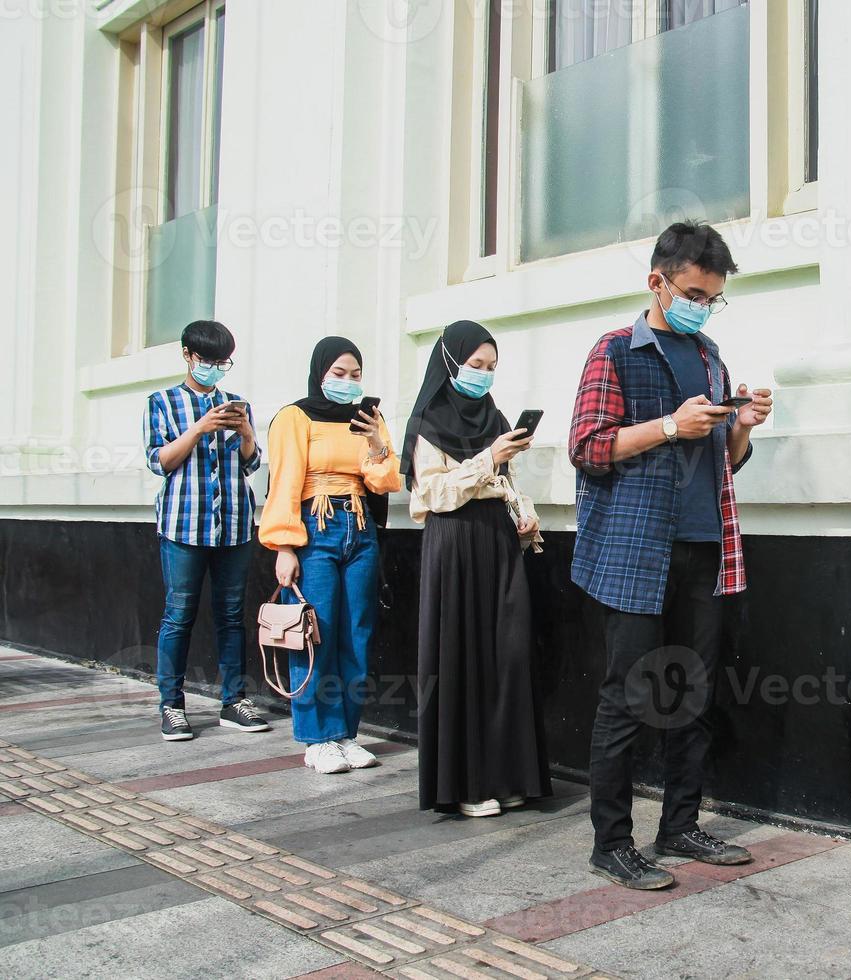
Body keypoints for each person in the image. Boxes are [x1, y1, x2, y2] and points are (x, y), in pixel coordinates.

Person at [568, 221, 774, 889]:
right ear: (655, 282)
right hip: (634, 551)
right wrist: (667, 427)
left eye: (711, 298)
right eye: (692, 292)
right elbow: (588, 447)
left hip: (705, 549)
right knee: (625, 699)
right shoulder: (615, 352)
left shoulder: (711, 355)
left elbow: (727, 463)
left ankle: (681, 825)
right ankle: (612, 843)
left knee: (689, 694)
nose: (700, 306)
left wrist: (739, 426)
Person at [403, 320, 552, 818]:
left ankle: (509, 776)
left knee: (507, 657)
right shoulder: (429, 421)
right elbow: (430, 494)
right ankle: (466, 785)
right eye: (475, 366)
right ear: (450, 363)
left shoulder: (494, 416)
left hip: (498, 542)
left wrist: (523, 512)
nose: (483, 377)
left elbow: (502, 482)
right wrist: (489, 457)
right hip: (455, 545)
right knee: (462, 657)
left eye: (491, 368)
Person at [259, 337, 402, 774]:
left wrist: (377, 439)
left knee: (356, 634)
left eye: (355, 375)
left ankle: (345, 733)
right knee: (314, 632)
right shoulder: (294, 416)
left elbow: (384, 481)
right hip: (313, 526)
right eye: (339, 373)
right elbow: (283, 480)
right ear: (320, 372)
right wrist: (284, 546)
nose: (348, 382)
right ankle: (316, 737)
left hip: (358, 527)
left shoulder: (366, 419)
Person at [144, 320, 271, 742]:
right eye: (207, 361)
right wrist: (199, 428)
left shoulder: (237, 403)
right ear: (187, 355)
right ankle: (171, 704)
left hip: (234, 524)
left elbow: (250, 465)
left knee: (232, 616)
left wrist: (247, 433)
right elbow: (160, 461)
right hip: (183, 524)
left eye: (222, 362)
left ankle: (234, 700)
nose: (215, 369)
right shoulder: (161, 402)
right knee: (178, 615)